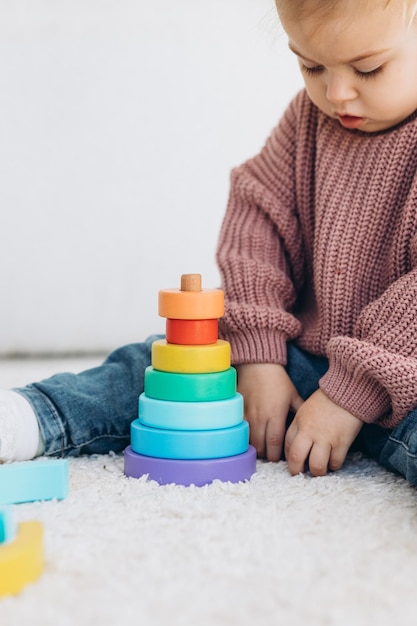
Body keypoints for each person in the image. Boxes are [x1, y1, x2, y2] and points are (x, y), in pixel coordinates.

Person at [2, 0, 417, 487]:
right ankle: (32, 417)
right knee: (170, 367)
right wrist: (258, 354)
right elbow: (256, 226)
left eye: (368, 69)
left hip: (403, 382)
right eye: (311, 65)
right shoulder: (308, 120)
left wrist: (352, 391)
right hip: (300, 362)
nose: (337, 92)